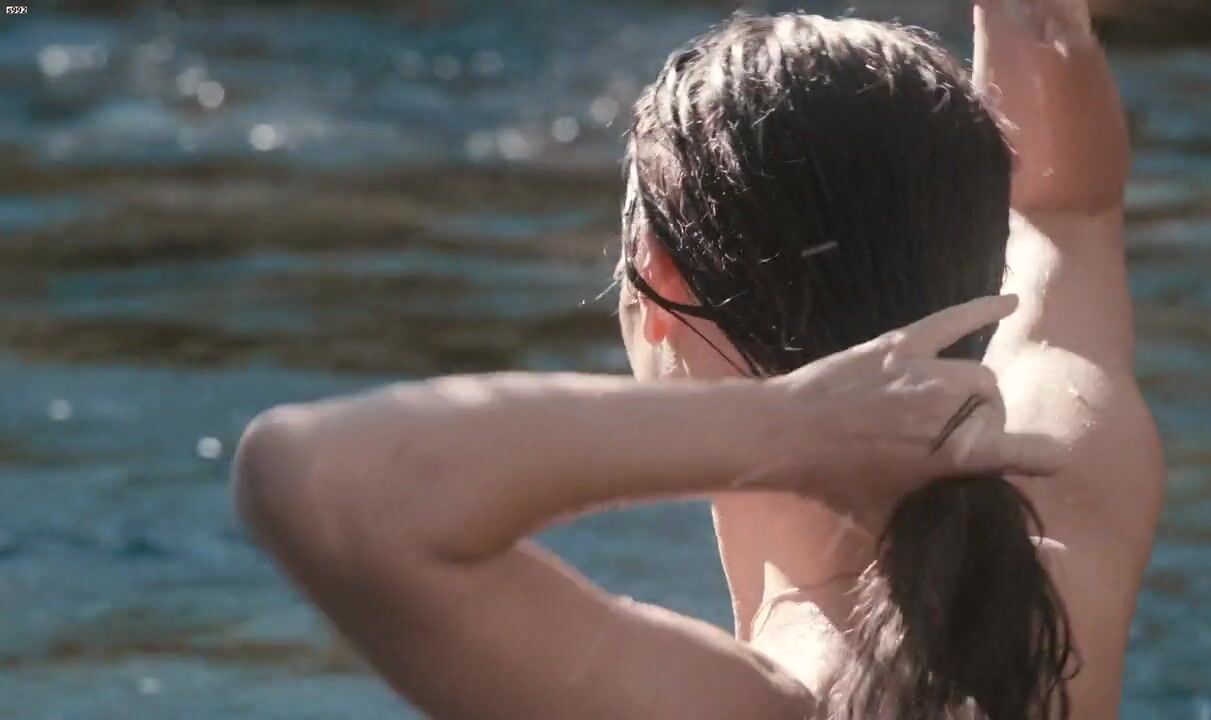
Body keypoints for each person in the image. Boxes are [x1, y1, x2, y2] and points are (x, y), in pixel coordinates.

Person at [231, 0, 1163, 718]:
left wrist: (791, 430)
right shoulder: (1069, 520)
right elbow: (1067, 209)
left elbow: (314, 477)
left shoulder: (760, 703)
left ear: (655, 275)